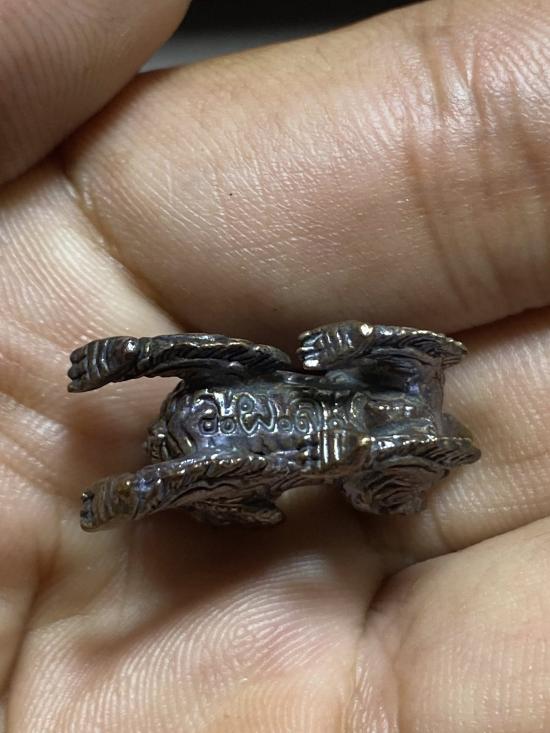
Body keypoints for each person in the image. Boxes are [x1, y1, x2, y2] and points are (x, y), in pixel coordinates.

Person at [0, 1, 548, 730]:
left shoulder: (336, 466)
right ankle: (137, 359)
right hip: (263, 398)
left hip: (234, 449)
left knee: (253, 459)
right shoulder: (419, 383)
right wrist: (353, 341)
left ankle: (148, 484)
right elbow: (419, 345)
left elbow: (333, 486)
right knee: (248, 359)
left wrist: (339, 453)